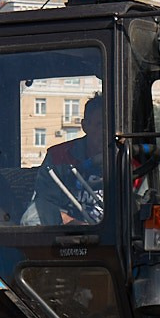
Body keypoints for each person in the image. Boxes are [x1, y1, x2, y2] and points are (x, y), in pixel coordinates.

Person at [34, 94, 106, 225]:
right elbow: (45, 203)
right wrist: (73, 223)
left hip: (115, 237)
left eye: (112, 126)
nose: (106, 132)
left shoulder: (128, 160)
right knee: (31, 217)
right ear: (85, 126)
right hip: (67, 235)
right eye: (100, 125)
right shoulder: (59, 157)